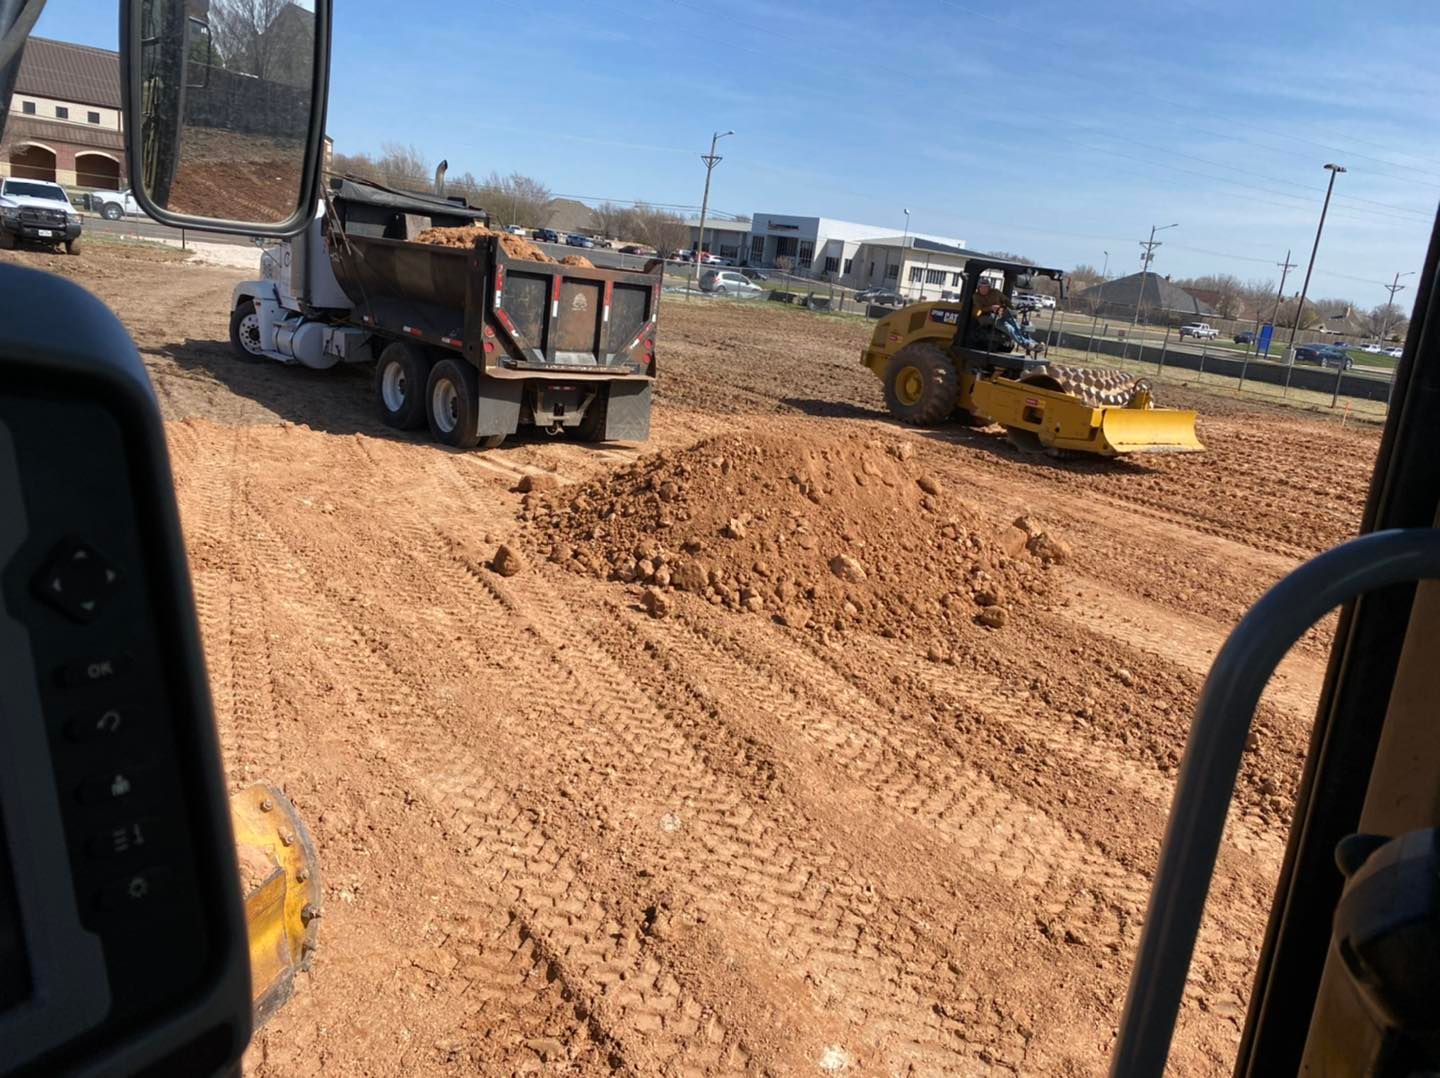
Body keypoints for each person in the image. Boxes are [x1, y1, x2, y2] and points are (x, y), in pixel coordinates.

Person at [973, 279, 1045, 356]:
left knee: (1015, 325)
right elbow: (980, 308)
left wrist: (1013, 308)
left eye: (986, 287)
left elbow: (1006, 300)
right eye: (982, 287)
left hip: (1000, 314)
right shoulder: (976, 296)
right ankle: (1026, 344)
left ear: (989, 287)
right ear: (979, 287)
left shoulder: (996, 293)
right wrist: (991, 308)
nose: (984, 289)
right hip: (985, 316)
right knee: (1008, 327)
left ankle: (1034, 344)